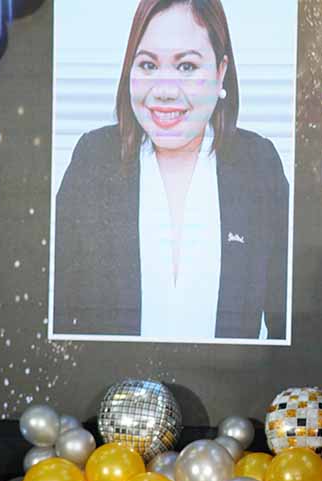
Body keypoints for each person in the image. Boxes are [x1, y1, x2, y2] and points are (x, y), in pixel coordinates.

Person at [53, 0, 289, 340]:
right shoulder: (93, 160)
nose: (164, 91)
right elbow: (58, 319)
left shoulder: (259, 166)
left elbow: (288, 330)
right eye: (148, 65)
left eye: (187, 66)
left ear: (220, 72)